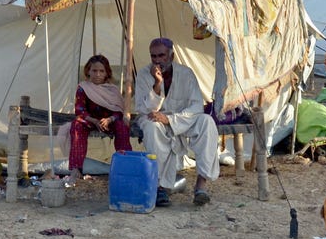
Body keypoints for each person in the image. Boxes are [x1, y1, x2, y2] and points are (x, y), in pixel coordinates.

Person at [134, 37, 219, 207]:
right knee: (152, 127)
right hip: (154, 119)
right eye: (153, 56)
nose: (157, 60)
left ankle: (201, 186)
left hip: (181, 119)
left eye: (161, 56)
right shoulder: (144, 74)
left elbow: (196, 106)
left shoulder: (186, 74)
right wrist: (157, 84)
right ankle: (160, 187)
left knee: (206, 122)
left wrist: (171, 120)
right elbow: (144, 109)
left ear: (171, 56)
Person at [59, 55, 132, 185]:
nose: (98, 74)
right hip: (90, 121)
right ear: (88, 71)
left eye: (101, 71)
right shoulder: (83, 88)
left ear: (107, 73)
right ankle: (76, 169)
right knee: (77, 125)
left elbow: (119, 111)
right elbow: (80, 110)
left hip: (109, 121)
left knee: (122, 125)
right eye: (94, 71)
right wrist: (94, 121)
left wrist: (109, 119)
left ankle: (125, 165)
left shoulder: (112, 90)